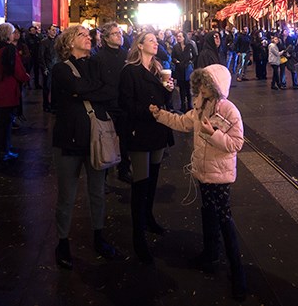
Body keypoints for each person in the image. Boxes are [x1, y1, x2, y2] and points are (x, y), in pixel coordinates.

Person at [149, 64, 247, 300]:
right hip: (203, 172)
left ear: (215, 85)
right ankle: (210, 255)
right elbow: (183, 122)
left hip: (220, 175)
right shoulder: (200, 106)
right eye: (200, 82)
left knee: (224, 219)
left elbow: (236, 144)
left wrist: (212, 134)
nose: (201, 87)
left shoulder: (229, 110)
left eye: (205, 83)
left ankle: (238, 272)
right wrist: (160, 115)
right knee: (208, 213)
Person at [51, 25, 117, 269]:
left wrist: (84, 94)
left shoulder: (97, 64)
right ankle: (63, 242)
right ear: (69, 42)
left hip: (95, 138)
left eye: (89, 35)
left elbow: (110, 91)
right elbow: (77, 88)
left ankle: (99, 236)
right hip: (68, 140)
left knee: (98, 191)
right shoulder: (60, 69)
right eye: (81, 35)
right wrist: (91, 91)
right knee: (67, 195)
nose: (88, 38)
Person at [118, 31, 175, 264]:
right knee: (140, 183)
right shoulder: (129, 71)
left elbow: (165, 101)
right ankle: (138, 235)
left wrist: (168, 91)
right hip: (140, 131)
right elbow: (125, 104)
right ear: (140, 46)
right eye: (151, 40)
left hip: (159, 129)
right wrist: (148, 111)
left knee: (153, 179)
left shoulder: (158, 68)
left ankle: (149, 218)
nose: (156, 43)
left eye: (156, 40)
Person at [91, 22, 131, 183]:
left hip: (124, 103)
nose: (119, 36)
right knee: (106, 140)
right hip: (107, 104)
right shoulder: (98, 58)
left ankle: (124, 169)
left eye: (120, 33)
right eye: (115, 33)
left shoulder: (126, 55)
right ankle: (104, 176)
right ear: (106, 38)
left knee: (125, 139)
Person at [0, 23, 30, 163]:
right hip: (6, 91)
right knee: (4, 124)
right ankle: (0, 153)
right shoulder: (10, 49)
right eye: (12, 32)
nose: (14, 34)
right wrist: (26, 77)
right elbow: (18, 70)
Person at [172, 31, 198, 111]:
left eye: (180, 36)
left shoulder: (189, 45)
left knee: (188, 88)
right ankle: (183, 105)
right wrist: (176, 61)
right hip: (179, 69)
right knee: (181, 88)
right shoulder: (176, 47)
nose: (178, 38)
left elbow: (195, 55)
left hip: (188, 69)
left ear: (184, 37)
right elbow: (173, 57)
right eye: (177, 36)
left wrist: (191, 62)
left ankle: (190, 104)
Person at [39, 25, 58, 112]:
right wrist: (44, 68)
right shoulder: (44, 42)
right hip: (48, 68)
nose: (54, 32)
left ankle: (53, 105)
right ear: (48, 31)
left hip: (56, 68)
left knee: (55, 87)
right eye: (53, 30)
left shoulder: (57, 41)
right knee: (47, 87)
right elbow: (41, 56)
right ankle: (46, 105)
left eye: (55, 30)